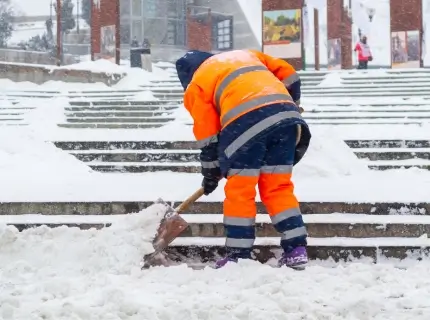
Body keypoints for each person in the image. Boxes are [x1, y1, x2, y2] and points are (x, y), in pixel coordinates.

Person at [175, 49, 311, 269]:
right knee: (278, 187)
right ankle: (296, 248)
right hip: (287, 122)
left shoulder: (196, 84)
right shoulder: (245, 55)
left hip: (244, 126)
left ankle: (239, 255)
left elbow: (208, 136)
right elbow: (290, 75)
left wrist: (210, 172)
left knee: (241, 190)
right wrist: (290, 102)